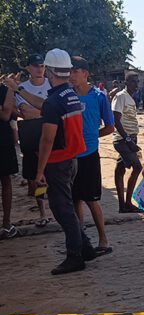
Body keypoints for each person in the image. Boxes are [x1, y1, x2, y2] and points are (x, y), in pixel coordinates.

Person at [36, 49, 97, 274]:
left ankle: (75, 257)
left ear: (49, 71)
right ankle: (87, 248)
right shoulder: (71, 95)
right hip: (73, 158)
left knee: (62, 209)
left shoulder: (53, 102)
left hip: (58, 162)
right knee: (67, 208)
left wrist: (40, 170)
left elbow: (47, 138)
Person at [69, 56, 115, 254]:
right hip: (71, 155)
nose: (71, 75)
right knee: (75, 199)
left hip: (89, 153)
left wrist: (91, 135)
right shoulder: (68, 95)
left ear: (85, 73)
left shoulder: (98, 96)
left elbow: (110, 126)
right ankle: (80, 239)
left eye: (75, 71)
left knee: (91, 198)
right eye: (69, 71)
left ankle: (103, 240)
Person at [8, 54, 50, 227]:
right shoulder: (22, 87)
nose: (39, 69)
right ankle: (42, 212)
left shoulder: (52, 84)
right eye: (35, 66)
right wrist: (45, 109)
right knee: (36, 177)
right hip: (32, 136)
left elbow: (32, 112)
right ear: (28, 68)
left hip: (50, 135)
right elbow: (26, 113)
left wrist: (36, 109)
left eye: (42, 65)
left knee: (56, 175)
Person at [111, 72, 143, 213]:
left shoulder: (130, 98)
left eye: (137, 82)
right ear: (126, 82)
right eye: (133, 82)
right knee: (137, 167)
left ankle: (122, 205)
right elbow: (116, 120)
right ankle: (127, 203)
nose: (136, 85)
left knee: (120, 169)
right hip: (123, 140)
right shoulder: (121, 96)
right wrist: (128, 140)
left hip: (129, 138)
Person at [0, 72, 18, 239]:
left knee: (6, 180)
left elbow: (6, 114)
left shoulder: (6, 90)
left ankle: (6, 223)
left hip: (3, 141)